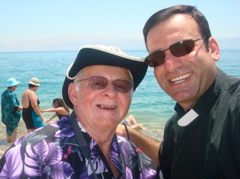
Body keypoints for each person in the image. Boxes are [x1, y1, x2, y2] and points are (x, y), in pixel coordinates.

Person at [116, 5, 240, 178]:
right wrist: (126, 133)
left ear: (212, 49)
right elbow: (167, 157)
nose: (170, 65)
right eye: (157, 58)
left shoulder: (235, 108)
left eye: (182, 48)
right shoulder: (178, 123)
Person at [0, 45, 159, 178]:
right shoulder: (32, 152)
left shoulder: (131, 151)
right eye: (97, 83)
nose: (111, 92)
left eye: (122, 86)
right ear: (73, 94)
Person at [1, 78, 22, 143]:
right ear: (13, 86)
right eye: (15, 86)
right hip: (12, 116)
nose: (16, 87)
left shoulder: (4, 92)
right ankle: (13, 145)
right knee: (14, 130)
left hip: (5, 115)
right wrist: (26, 109)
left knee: (8, 129)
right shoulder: (11, 94)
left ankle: (9, 142)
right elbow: (15, 107)